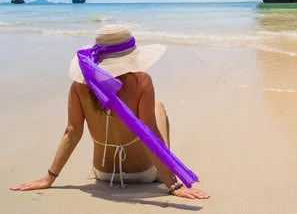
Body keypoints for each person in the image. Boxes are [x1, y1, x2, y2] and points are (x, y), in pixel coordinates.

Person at [10, 24, 210, 200]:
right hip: (144, 174)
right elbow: (149, 133)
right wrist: (173, 184)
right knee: (158, 107)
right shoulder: (141, 81)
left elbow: (72, 132)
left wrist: (49, 178)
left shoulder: (79, 86)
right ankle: (163, 170)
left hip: (103, 173)